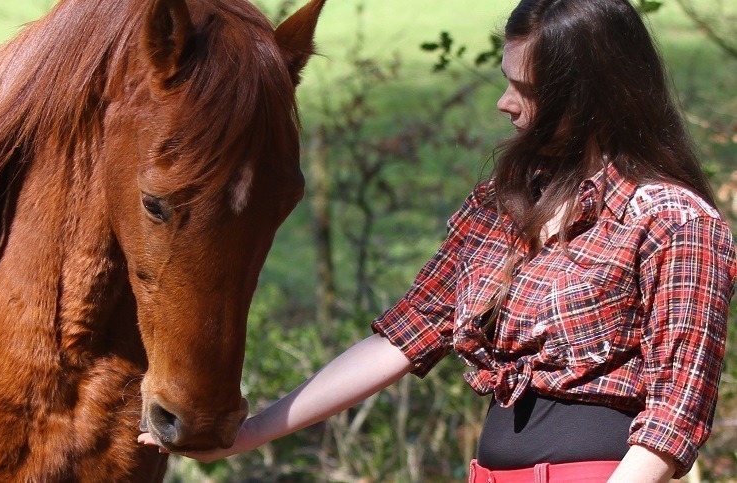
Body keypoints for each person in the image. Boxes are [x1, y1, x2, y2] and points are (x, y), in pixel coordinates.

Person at [140, 0, 737, 480]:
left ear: (588, 96)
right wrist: (247, 433)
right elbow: (405, 336)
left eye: (525, 89)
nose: (504, 103)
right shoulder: (504, 205)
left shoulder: (676, 221)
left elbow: (676, 411)